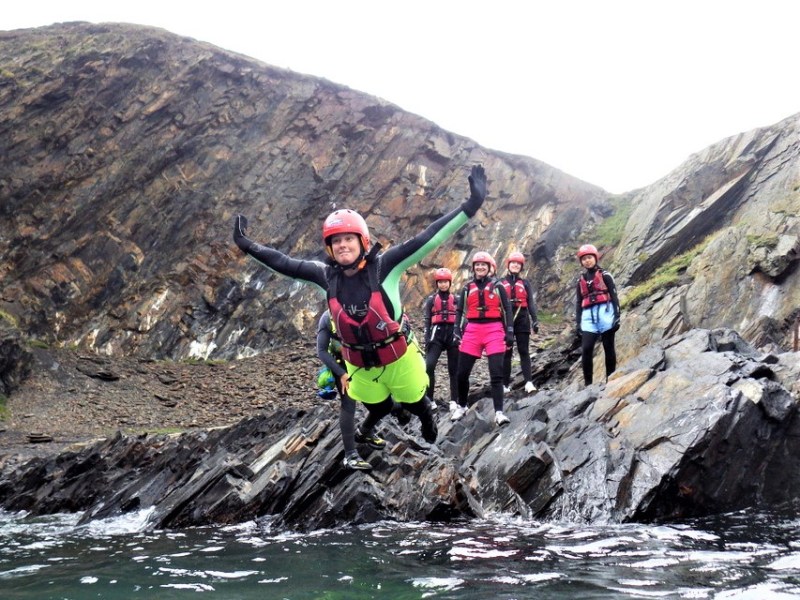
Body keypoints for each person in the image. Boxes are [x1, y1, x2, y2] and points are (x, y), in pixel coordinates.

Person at [233, 165, 488, 447]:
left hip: (398, 357)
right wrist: (246, 244)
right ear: (330, 248)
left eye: (348, 239)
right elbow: (282, 263)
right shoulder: (324, 276)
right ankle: (372, 426)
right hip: (359, 365)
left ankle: (427, 415)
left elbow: (428, 237)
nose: (343, 245)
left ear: (362, 241)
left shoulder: (385, 267)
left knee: (414, 402)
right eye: (336, 241)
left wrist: (470, 205)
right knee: (377, 407)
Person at [317, 310, 410, 470]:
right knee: (348, 404)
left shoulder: (364, 308)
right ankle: (350, 456)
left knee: (381, 404)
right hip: (341, 366)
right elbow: (322, 351)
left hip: (362, 362)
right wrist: (341, 374)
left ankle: (365, 432)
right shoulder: (327, 318)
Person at [451, 251, 514, 426]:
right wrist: (457, 330)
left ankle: (499, 412)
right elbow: (460, 311)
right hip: (472, 330)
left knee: (496, 374)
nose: (480, 267)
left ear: (490, 268)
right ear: (473, 268)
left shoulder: (498, 286)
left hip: (494, 329)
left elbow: (507, 309)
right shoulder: (466, 288)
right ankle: (462, 406)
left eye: (483, 265)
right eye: (477, 265)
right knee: (462, 373)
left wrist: (509, 331)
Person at [575, 244, 620, 385]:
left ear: (595, 258)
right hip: (588, 316)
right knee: (587, 349)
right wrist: (578, 323)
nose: (587, 261)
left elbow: (614, 295)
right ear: (581, 262)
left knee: (608, 347)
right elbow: (578, 302)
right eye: (584, 259)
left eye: (589, 257)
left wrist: (617, 316)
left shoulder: (605, 275)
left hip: (606, 312)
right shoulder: (580, 280)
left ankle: (610, 380)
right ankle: (588, 384)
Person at [500, 251, 539, 394]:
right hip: (505, 319)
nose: (515, 265)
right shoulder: (500, 282)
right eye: (513, 263)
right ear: (508, 265)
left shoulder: (525, 283)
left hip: (522, 317)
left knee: (524, 350)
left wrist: (534, 320)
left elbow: (530, 303)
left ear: (521, 266)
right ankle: (505, 385)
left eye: (518, 264)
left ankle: (529, 382)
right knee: (506, 352)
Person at [422, 268, 459, 410]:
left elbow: (461, 318)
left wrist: (460, 335)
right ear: (437, 283)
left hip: (452, 335)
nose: (443, 285)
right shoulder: (431, 300)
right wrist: (427, 339)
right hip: (436, 335)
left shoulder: (457, 299)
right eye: (440, 282)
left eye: (445, 282)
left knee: (453, 369)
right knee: (429, 366)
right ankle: (430, 399)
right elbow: (427, 320)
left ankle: (454, 400)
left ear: (450, 283)